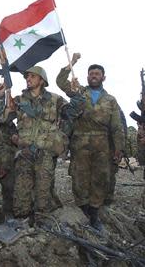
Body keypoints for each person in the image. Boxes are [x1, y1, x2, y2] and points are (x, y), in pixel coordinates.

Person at [0, 66, 84, 224]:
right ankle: (22, 222)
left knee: (43, 191)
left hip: (45, 152)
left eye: (33, 76)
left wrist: (75, 93)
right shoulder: (19, 100)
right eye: (27, 76)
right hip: (25, 153)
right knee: (21, 191)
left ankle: (42, 223)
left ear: (42, 80)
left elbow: (74, 112)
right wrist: (0, 96)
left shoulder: (55, 99)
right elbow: (1, 117)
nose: (28, 79)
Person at [56, 55, 124, 230]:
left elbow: (116, 126)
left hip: (103, 145)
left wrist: (118, 148)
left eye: (97, 73)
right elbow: (60, 81)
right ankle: (83, 208)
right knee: (80, 176)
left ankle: (94, 212)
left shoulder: (111, 100)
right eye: (91, 73)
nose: (94, 76)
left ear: (103, 77)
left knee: (100, 177)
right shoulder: (79, 92)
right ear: (87, 77)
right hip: (80, 142)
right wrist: (71, 63)